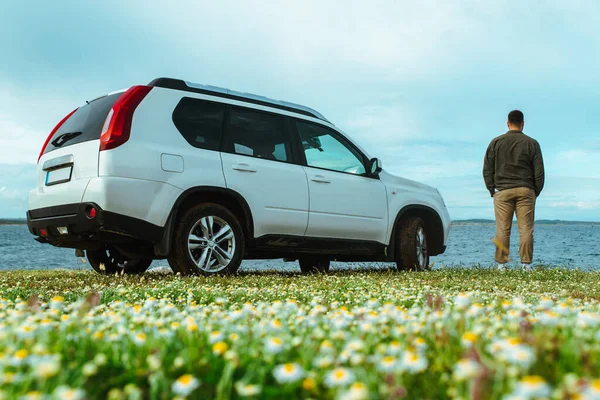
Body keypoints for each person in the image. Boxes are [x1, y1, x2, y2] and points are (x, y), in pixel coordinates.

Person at [483, 110, 545, 270]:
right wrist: (535, 191)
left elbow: (487, 169)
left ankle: (502, 266)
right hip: (526, 190)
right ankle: (526, 265)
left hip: (503, 191)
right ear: (523, 124)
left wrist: (492, 190)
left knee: (502, 229)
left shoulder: (496, 142)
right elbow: (539, 171)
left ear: (507, 123)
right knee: (526, 229)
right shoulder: (532, 143)